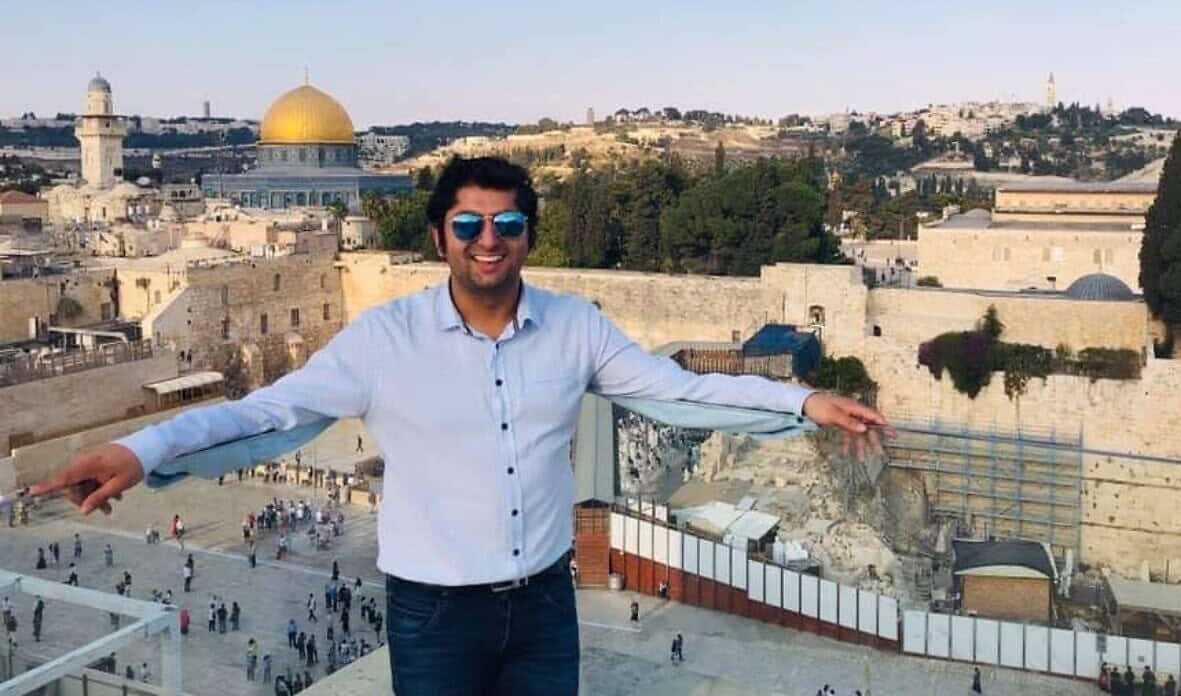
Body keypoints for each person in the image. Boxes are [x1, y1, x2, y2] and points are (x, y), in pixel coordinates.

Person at [32, 156, 890, 696]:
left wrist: (800, 402)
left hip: (547, 604)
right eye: (470, 225)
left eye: (508, 226)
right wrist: (141, 449)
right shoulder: (383, 339)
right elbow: (268, 413)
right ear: (441, 235)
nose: (490, 241)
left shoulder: (576, 325)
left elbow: (672, 390)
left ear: (527, 237)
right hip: (434, 615)